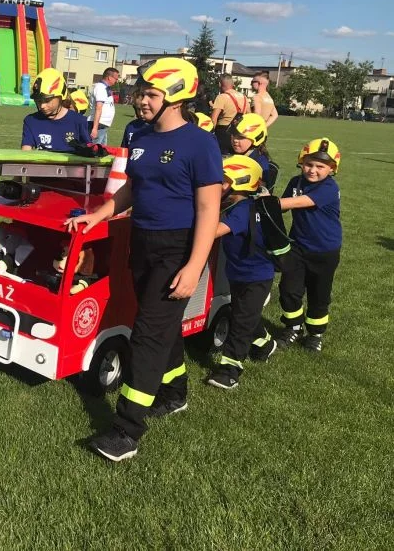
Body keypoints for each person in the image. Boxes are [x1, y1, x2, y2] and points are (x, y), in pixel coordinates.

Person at [66, 58, 222, 461]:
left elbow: (209, 210)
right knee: (158, 324)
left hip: (179, 249)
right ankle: (175, 391)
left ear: (178, 99)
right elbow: (132, 188)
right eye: (141, 94)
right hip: (143, 241)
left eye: (151, 95)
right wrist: (98, 214)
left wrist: (193, 266)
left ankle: (126, 430)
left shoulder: (200, 143)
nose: (141, 101)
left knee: (148, 333)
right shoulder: (140, 136)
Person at [205, 155, 277, 390]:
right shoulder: (235, 204)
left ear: (241, 183)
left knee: (240, 321)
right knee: (244, 314)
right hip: (239, 273)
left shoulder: (241, 210)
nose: (219, 185)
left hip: (256, 276)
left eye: (224, 181)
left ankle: (230, 369)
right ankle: (265, 344)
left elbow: (212, 232)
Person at [275, 138, 342, 353]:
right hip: (297, 246)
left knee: (319, 294)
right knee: (288, 289)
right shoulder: (296, 183)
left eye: (320, 166)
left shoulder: (329, 187)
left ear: (332, 169)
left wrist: (268, 202)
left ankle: (315, 334)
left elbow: (297, 203)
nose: (313, 170)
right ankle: (293, 327)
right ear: (301, 162)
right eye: (308, 164)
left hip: (325, 250)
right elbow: (282, 208)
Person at [20, 68, 90, 151]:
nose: (42, 105)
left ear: (61, 96)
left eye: (47, 100)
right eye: (39, 100)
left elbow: (88, 152)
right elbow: (26, 152)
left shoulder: (79, 121)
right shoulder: (31, 121)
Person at [228, 113, 277, 191]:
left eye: (241, 137)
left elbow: (261, 191)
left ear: (257, 138)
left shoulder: (261, 163)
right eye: (233, 135)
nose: (235, 140)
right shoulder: (231, 155)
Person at [210, 74, 250, 154]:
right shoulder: (244, 97)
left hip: (223, 132)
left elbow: (213, 119)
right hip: (240, 133)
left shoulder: (222, 97)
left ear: (220, 84)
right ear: (233, 85)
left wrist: (209, 134)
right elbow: (249, 116)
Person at [88, 67, 119, 144]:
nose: (116, 80)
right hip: (99, 124)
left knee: (102, 150)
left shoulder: (105, 88)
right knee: (95, 149)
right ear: (109, 77)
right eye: (116, 78)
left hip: (103, 124)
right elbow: (98, 108)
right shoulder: (100, 87)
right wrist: (95, 128)